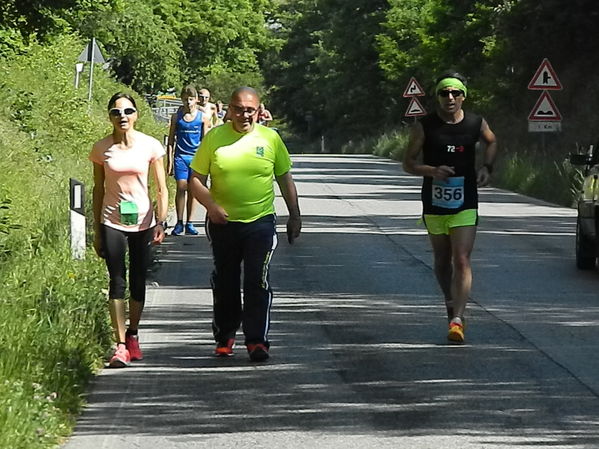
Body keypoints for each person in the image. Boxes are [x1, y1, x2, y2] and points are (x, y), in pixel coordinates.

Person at [189, 86, 301, 362]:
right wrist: (211, 206)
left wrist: (295, 215)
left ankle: (257, 340)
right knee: (226, 281)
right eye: (238, 109)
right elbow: (195, 179)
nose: (244, 115)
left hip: (260, 221)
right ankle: (225, 335)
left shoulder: (271, 139)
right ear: (229, 109)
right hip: (223, 223)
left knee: (256, 280)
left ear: (259, 111)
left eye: (250, 109)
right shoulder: (215, 138)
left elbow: (285, 179)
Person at [402, 71, 497, 344]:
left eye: (455, 93)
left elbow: (492, 141)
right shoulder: (425, 126)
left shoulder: (475, 123)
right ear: (437, 98)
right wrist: (431, 170)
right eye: (444, 93)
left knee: (462, 258)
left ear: (463, 96)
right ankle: (449, 301)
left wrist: (487, 168)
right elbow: (408, 163)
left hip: (466, 198)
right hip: (435, 200)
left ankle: (458, 317)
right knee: (443, 260)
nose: (450, 98)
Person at [90, 92, 168, 367]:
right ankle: (120, 344)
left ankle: (133, 333)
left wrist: (161, 221)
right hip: (112, 220)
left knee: (137, 279)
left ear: (136, 115)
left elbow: (160, 188)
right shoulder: (101, 149)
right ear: (109, 116)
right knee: (116, 280)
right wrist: (97, 229)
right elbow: (98, 189)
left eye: (128, 111)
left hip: (143, 222)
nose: (122, 116)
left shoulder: (150, 146)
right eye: (116, 112)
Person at [167, 85, 211, 235]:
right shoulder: (176, 117)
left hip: (196, 158)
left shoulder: (202, 117)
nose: (188, 102)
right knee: (181, 187)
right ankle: (179, 222)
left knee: (193, 190)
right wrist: (170, 161)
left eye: (191, 99)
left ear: (196, 100)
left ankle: (189, 222)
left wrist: (207, 162)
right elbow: (171, 140)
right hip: (181, 157)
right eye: (185, 99)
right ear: (181, 100)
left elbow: (205, 142)